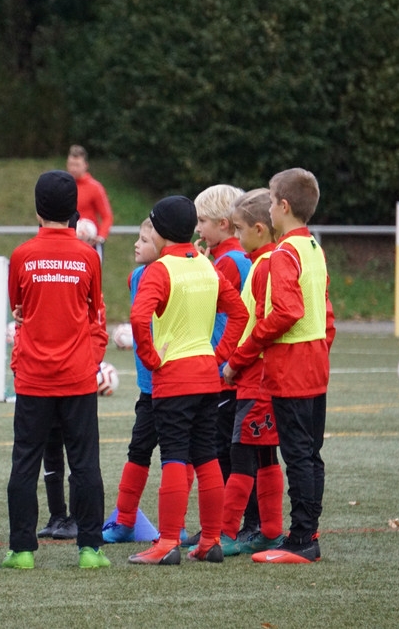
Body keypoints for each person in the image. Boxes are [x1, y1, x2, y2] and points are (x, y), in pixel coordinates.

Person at [127, 196, 248, 566]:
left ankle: (167, 543)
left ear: (160, 232)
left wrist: (152, 359)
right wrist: (218, 355)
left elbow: (138, 318)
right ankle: (211, 539)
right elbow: (240, 313)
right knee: (206, 456)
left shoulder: (160, 270)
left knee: (175, 457)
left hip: (174, 378)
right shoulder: (208, 266)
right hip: (207, 377)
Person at [223, 168, 335, 564]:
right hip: (315, 363)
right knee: (310, 454)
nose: (268, 207)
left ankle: (301, 539)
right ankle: (307, 533)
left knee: (298, 455)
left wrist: (245, 353)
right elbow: (326, 314)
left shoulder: (284, 254)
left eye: (271, 201)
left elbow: (287, 311)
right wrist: (320, 347)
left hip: (292, 368)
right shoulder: (313, 248)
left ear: (283, 207)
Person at [3, 170, 110, 570]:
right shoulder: (88, 256)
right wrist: (91, 357)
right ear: (74, 212)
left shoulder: (22, 255)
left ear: (37, 210)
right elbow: (95, 311)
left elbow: (18, 306)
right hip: (77, 376)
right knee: (85, 463)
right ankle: (90, 549)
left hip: (33, 376)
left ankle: (22, 550)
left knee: (25, 461)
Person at [216, 189, 285, 557]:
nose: (236, 236)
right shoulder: (264, 262)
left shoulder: (265, 266)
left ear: (259, 229)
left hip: (256, 381)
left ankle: (226, 533)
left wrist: (234, 363)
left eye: (239, 229)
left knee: (241, 455)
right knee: (265, 456)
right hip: (262, 380)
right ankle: (270, 531)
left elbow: (262, 328)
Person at [187, 184, 253, 548]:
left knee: (219, 452)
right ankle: (238, 525)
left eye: (202, 221)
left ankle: (222, 526)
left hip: (224, 370)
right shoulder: (237, 257)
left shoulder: (227, 262)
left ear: (223, 224)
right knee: (233, 450)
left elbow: (209, 307)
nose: (197, 229)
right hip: (234, 367)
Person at [101, 218, 163, 543]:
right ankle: (124, 520)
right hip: (148, 385)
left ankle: (178, 529)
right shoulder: (137, 277)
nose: (136, 244)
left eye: (144, 240)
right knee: (138, 449)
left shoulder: (174, 274)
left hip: (176, 384)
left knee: (181, 456)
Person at [66, 145, 113, 262]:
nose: (73, 168)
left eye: (77, 165)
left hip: (91, 244)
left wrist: (100, 237)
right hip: (69, 242)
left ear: (85, 165)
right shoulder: (64, 186)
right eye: (71, 164)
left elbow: (107, 216)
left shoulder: (95, 188)